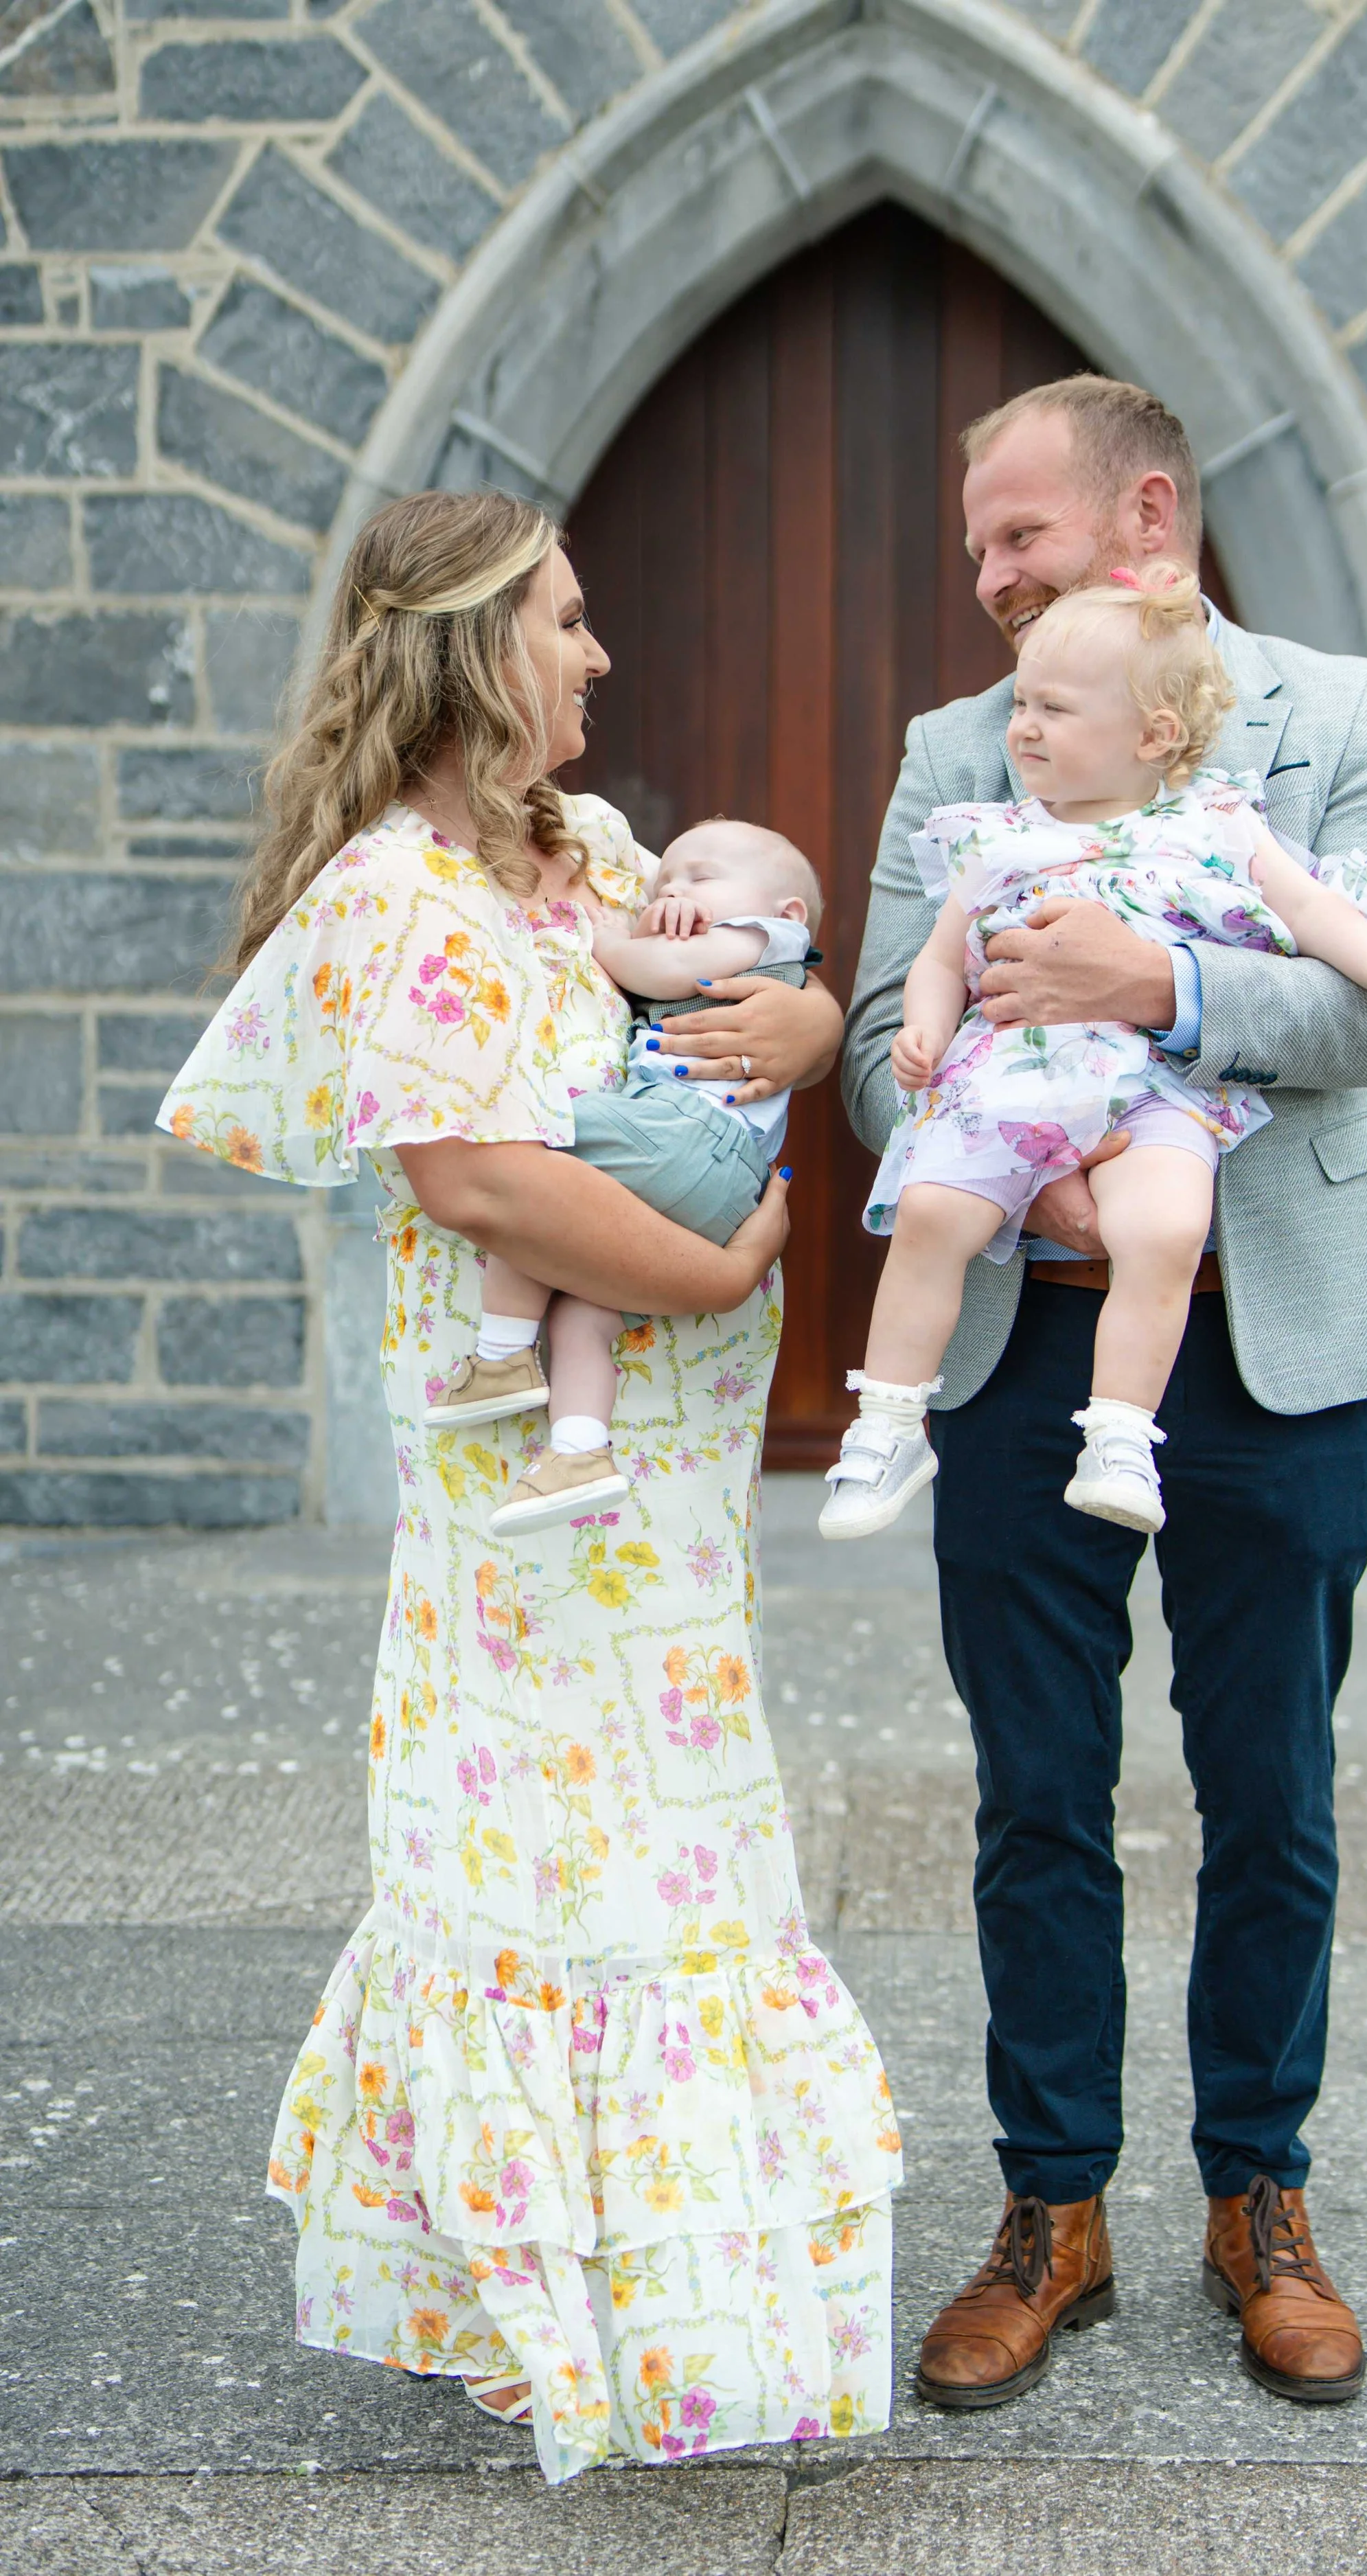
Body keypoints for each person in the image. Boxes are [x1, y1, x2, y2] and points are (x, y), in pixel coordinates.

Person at [159, 490, 901, 2483]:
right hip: (522, 1502)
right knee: (540, 1871)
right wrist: (744, 1263)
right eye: (563, 622)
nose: (594, 656)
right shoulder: (399, 895)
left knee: (669, 1859)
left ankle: (656, 2318)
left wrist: (815, 1016)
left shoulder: (584, 851)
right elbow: (481, 1178)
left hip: (661, 1501)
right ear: (472, 644)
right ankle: (534, 2314)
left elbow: (759, 971)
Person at [843, 374, 1367, 2411]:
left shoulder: (1339, 713)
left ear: (1146, 516)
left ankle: (1254, 2194)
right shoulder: (957, 752)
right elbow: (865, 1035)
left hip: (1274, 1336)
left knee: (1270, 1789)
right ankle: (1051, 2208)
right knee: (1033, 1791)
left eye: (1018, 538)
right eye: (976, 552)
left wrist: (1153, 990)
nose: (989, 582)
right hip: (1026, 1340)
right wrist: (970, 1091)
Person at [825, 571, 1367, 1541]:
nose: (1021, 726)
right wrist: (924, 1028)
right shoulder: (995, 837)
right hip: (1012, 1083)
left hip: (1151, 1091)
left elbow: (1314, 910)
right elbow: (932, 960)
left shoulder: (1215, 824)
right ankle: (887, 1420)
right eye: (1020, 701)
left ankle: (1121, 1433)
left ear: (1155, 735)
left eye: (1051, 707)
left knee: (1166, 1227)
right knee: (928, 1212)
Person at [424, 816, 825, 1539]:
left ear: (786, 912)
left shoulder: (765, 938)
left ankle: (501, 1353)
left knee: (532, 1146)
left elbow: (669, 974)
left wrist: (609, 939)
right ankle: (579, 1449)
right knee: (582, 1304)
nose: (673, 888)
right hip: (699, 1175)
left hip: (690, 1133)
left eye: (699, 877)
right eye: (664, 879)